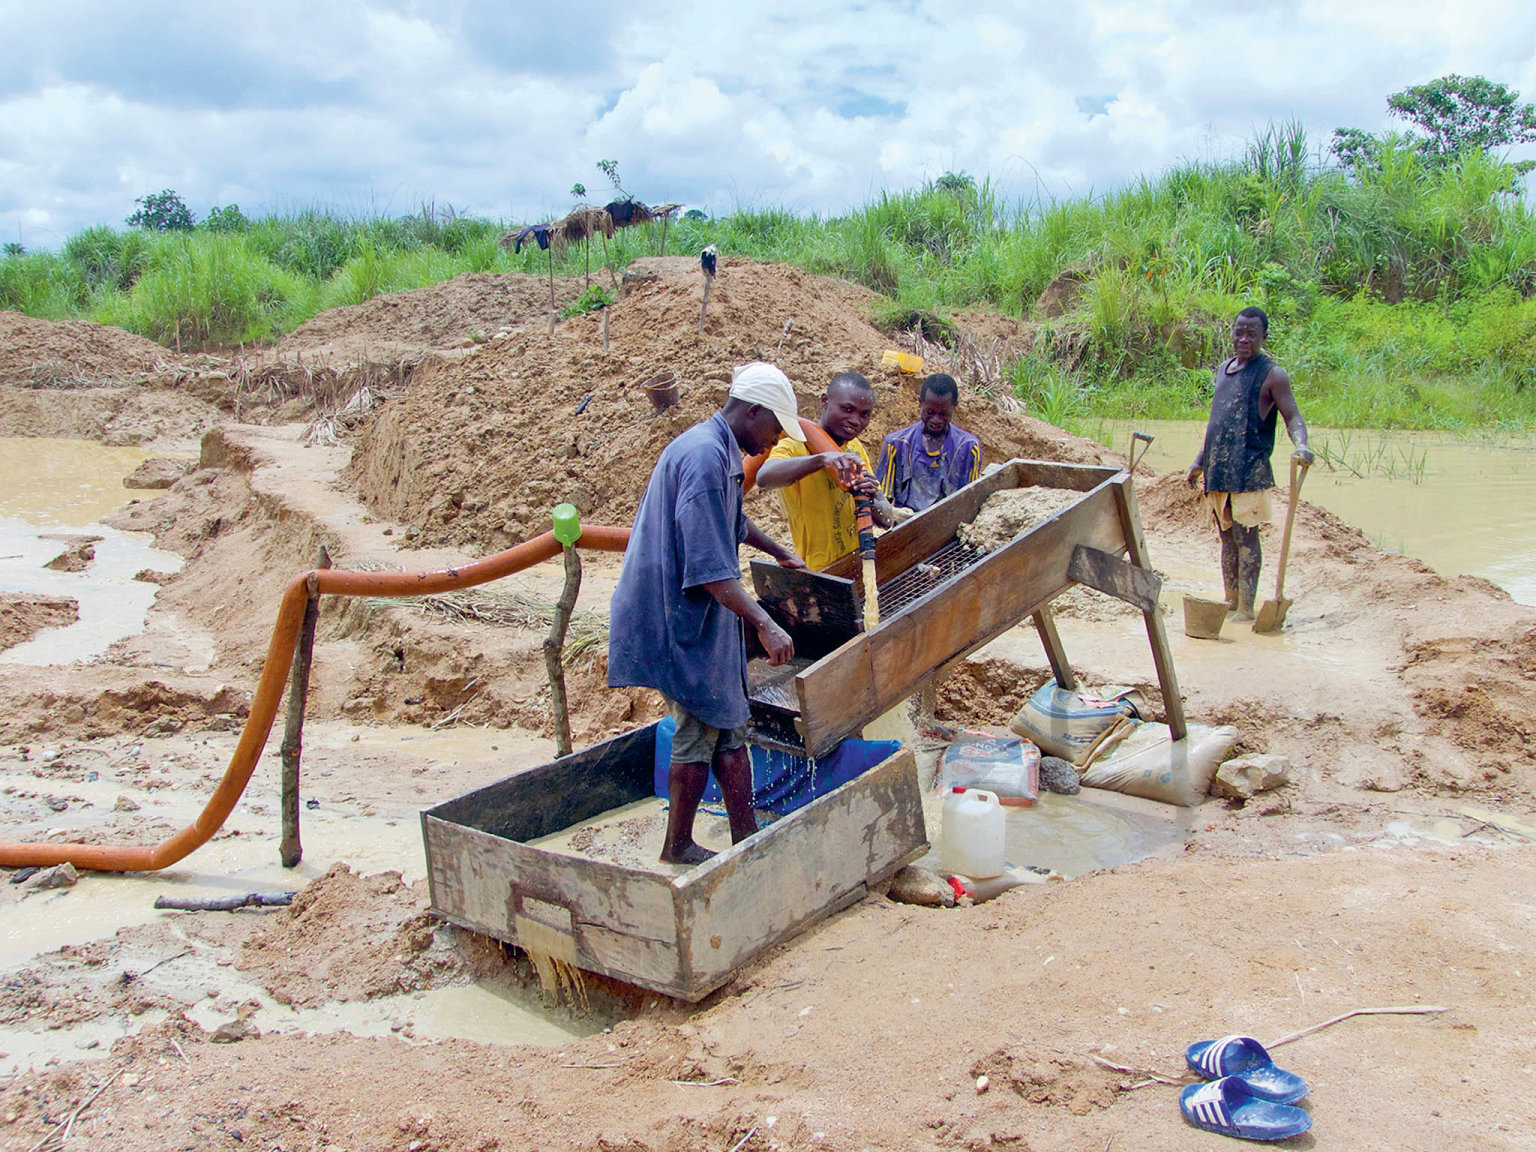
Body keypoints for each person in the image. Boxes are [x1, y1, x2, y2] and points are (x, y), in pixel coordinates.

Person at [608, 362, 806, 865]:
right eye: (775, 428)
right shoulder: (702, 457)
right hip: (672, 612)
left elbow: (732, 519)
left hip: (695, 610)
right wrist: (765, 623)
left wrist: (780, 551)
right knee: (700, 727)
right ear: (753, 411)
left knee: (730, 722)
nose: (776, 440)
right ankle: (677, 846)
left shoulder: (720, 451)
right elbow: (709, 570)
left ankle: (747, 837)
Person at [1185, 306, 1314, 622]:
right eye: (1239, 332)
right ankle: (1230, 602)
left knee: (1246, 539)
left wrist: (1301, 445)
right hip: (1219, 470)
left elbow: (1293, 416)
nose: (1244, 339)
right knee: (1227, 539)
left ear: (1263, 337)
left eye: (1251, 334)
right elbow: (1217, 423)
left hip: (1249, 469)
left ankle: (1246, 609)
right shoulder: (1224, 369)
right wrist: (1200, 461)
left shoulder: (1272, 374)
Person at [754, 372, 899, 571]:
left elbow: (886, 519)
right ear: (824, 401)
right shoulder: (795, 446)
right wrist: (821, 459)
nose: (855, 420)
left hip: (856, 563)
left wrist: (873, 497)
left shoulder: (854, 448)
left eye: (864, 415)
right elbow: (764, 477)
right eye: (847, 409)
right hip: (820, 571)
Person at [875, 373, 983, 513]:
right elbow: (882, 502)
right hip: (906, 522)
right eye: (929, 412)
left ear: (954, 407)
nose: (936, 420)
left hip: (951, 522)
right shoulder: (896, 444)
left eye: (943, 414)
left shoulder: (968, 447)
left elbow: (971, 501)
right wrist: (897, 515)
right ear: (920, 403)